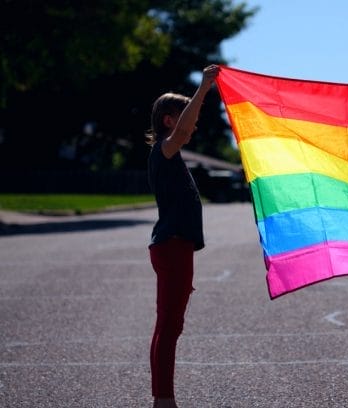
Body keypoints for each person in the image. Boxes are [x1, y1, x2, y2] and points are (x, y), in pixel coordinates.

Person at [145, 64, 220, 408]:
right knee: (170, 326)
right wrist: (204, 88)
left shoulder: (168, 153)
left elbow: (188, 126)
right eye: (183, 114)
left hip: (175, 244)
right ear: (168, 121)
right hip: (172, 245)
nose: (192, 123)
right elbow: (186, 130)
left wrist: (203, 93)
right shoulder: (165, 148)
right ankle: (163, 400)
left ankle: (163, 397)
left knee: (168, 325)